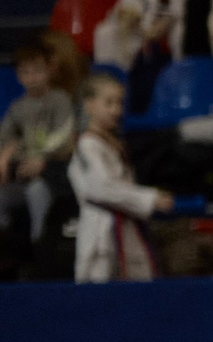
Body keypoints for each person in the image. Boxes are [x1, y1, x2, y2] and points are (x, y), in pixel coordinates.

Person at [68, 73, 170, 283]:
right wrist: (150, 198)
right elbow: (101, 188)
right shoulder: (87, 145)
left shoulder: (111, 144)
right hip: (101, 228)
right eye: (108, 103)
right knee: (100, 298)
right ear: (89, 105)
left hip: (124, 223)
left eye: (119, 103)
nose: (116, 110)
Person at [0, 40, 76, 262]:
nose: (31, 78)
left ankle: (40, 250)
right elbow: (6, 137)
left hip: (53, 176)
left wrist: (42, 160)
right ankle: (5, 252)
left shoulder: (60, 101)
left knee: (36, 192)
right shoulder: (18, 107)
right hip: (21, 176)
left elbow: (64, 141)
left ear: (49, 70)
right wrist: (4, 158)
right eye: (25, 72)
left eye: (37, 71)